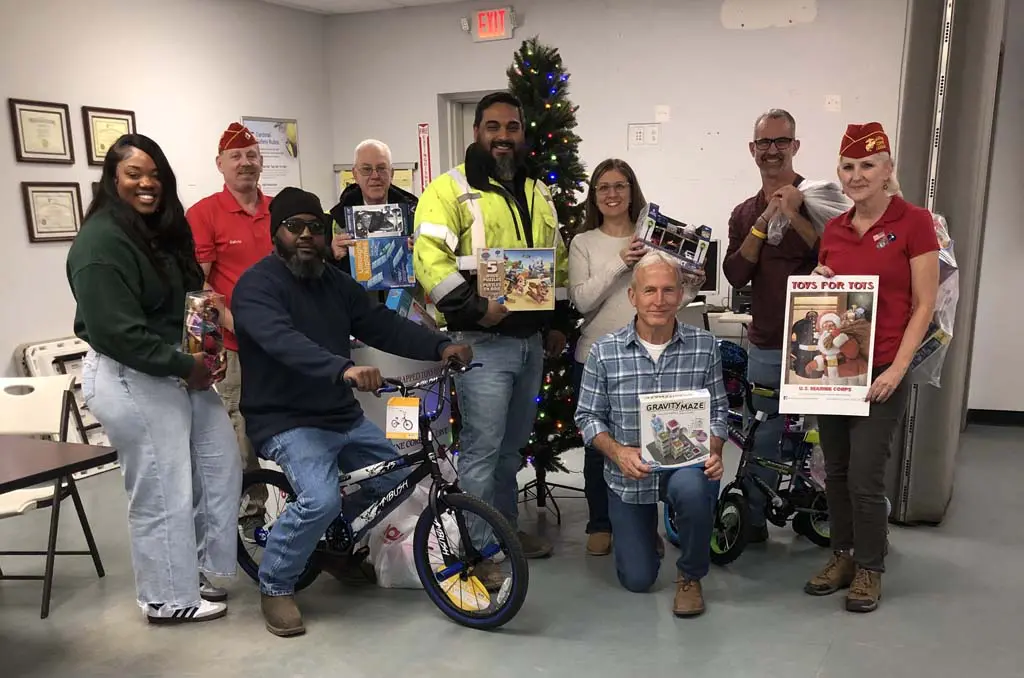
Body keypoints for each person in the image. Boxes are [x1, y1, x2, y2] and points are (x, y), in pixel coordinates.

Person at [231, 187, 472, 637]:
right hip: (285, 419)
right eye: (294, 226)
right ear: (275, 233)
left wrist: (440, 345)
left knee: (397, 480)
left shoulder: (336, 283)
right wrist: (342, 369)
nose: (306, 235)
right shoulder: (256, 287)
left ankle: (332, 547)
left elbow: (383, 325)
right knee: (320, 500)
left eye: (315, 226)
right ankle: (276, 583)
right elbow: (282, 341)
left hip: (340, 414)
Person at [67, 134, 241, 624]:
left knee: (219, 467)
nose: (147, 183)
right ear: (112, 179)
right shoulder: (100, 242)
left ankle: (196, 571)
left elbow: (191, 295)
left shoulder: (160, 229)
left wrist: (207, 348)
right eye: (134, 174)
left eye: (155, 174)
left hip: (178, 366)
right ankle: (167, 599)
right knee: (164, 489)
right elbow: (117, 334)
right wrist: (186, 365)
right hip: (130, 374)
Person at [413, 92, 571, 559]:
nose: (503, 136)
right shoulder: (449, 190)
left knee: (509, 451)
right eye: (493, 127)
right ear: (477, 131)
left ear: (522, 132)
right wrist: (475, 307)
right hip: (480, 343)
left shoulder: (537, 191)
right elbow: (429, 259)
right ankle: (480, 551)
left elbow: (557, 260)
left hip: (530, 343)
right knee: (482, 451)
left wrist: (558, 322)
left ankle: (502, 532)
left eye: (512, 127)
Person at [805, 122, 939, 613]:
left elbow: (924, 304)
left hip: (883, 367)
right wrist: (819, 282)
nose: (857, 175)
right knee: (836, 471)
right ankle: (841, 555)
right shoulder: (835, 229)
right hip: (837, 371)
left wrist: (897, 370)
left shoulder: (914, 222)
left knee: (865, 475)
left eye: (867, 165)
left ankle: (869, 567)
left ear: (887, 170)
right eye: (848, 166)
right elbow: (834, 300)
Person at [575, 250, 728, 617]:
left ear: (681, 294)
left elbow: (719, 411)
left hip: (685, 467)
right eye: (649, 290)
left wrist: (715, 448)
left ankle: (690, 575)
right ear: (633, 296)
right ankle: (646, 537)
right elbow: (587, 416)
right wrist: (617, 452)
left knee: (695, 491)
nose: (659, 300)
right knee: (638, 579)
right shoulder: (604, 351)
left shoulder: (704, 346)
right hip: (630, 475)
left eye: (668, 290)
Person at [568, 158, 703, 556]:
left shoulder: (655, 238)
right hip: (596, 356)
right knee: (600, 446)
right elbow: (581, 301)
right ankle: (600, 522)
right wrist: (620, 262)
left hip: (650, 356)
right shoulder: (583, 242)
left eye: (620, 186)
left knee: (655, 442)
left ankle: (644, 525)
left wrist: (691, 285)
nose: (612, 194)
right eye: (603, 187)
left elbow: (669, 300)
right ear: (594, 196)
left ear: (632, 192)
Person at [722, 109, 819, 541]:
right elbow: (735, 274)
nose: (773, 150)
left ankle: (819, 513)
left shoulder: (820, 200)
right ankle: (754, 520)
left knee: (822, 438)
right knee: (761, 435)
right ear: (752, 149)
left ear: (795, 146)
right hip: (766, 343)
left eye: (782, 141)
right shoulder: (745, 212)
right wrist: (763, 223)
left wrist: (794, 213)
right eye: (764, 142)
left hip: (820, 343)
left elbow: (834, 256)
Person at [186, 122, 272, 542]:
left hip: (281, 341)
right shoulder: (204, 214)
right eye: (235, 156)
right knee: (242, 428)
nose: (245, 162)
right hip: (235, 344)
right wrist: (238, 323)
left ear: (262, 161)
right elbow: (197, 283)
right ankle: (251, 512)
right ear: (219, 164)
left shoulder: (278, 210)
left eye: (251, 154)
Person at [328, 139, 418, 266]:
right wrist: (330, 254)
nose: (375, 176)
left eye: (381, 168)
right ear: (355, 174)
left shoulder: (416, 214)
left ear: (391, 173)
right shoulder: (333, 221)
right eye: (366, 169)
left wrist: (421, 252)